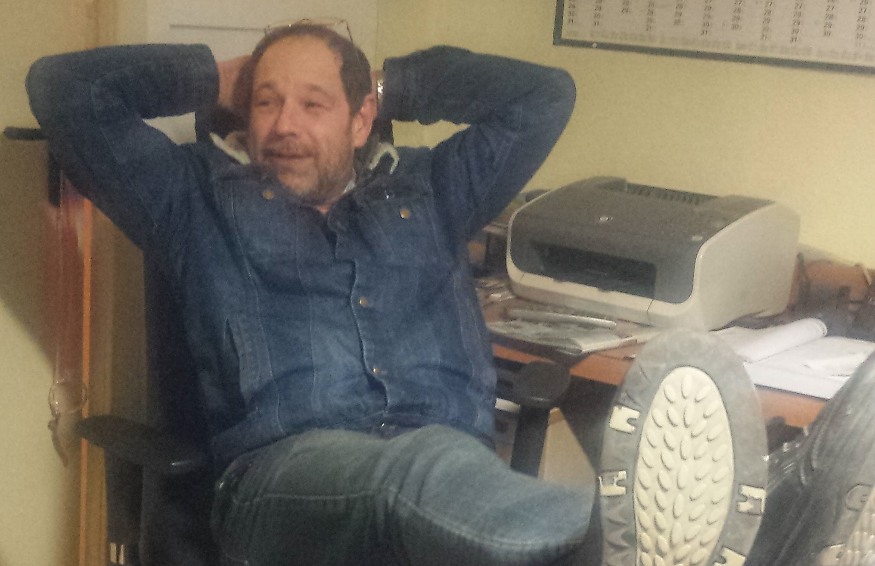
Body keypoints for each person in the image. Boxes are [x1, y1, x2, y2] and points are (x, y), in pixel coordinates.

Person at [25, 19, 875, 566]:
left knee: (436, 467)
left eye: (314, 103)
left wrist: (394, 82)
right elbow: (64, 90)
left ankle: (778, 513)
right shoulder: (190, 201)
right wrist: (220, 75)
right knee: (416, 469)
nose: (284, 124)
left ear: (360, 119)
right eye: (267, 102)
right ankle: (629, 546)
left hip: (448, 474)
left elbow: (542, 96)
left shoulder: (429, 190)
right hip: (281, 483)